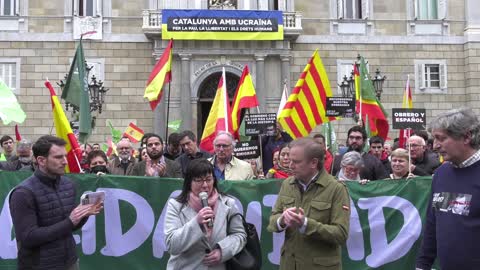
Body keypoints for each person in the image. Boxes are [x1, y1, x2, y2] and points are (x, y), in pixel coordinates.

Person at [9, 135, 102, 270]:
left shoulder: (68, 185)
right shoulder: (22, 193)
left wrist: (84, 214)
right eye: (58, 157)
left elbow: (70, 227)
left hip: (70, 261)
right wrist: (70, 221)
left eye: (64, 156)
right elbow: (28, 238)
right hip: (38, 265)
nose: (65, 161)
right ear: (41, 160)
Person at [267, 138, 350, 270]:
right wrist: (282, 220)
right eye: (290, 160)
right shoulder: (287, 184)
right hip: (289, 265)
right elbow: (272, 220)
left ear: (313, 163)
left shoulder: (336, 189)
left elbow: (340, 235)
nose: (290, 165)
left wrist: (305, 224)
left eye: (296, 162)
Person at [416, 108, 480, 270]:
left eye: (441, 139)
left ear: (466, 136)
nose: (435, 146)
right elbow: (432, 224)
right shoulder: (441, 173)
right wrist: (422, 265)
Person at [164, 158, 246, 269]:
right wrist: (196, 222)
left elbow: (240, 235)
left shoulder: (228, 203)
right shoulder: (175, 205)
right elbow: (172, 245)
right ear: (189, 182)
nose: (205, 185)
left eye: (208, 179)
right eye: (199, 180)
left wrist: (223, 251)